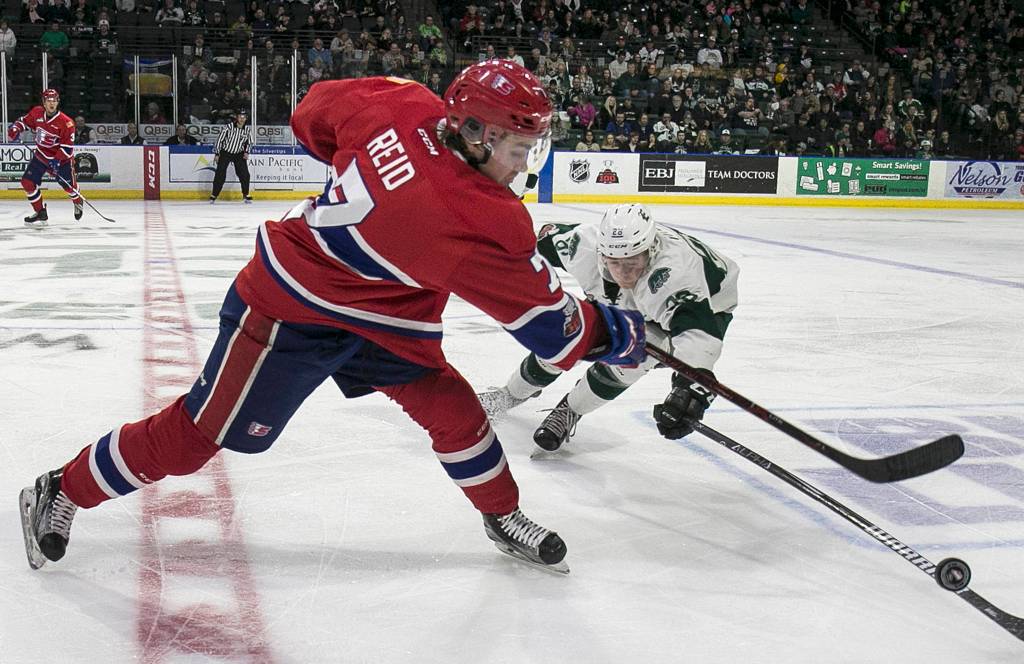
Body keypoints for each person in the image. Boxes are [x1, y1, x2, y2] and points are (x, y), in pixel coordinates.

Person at [18, 60, 646, 575]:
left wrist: (361, 185)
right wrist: (625, 336)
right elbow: (552, 331)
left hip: (383, 309)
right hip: (293, 307)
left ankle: (501, 514)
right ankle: (62, 489)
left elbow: (312, 112)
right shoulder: (480, 216)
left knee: (454, 409)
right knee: (195, 437)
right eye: (517, 147)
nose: (522, 164)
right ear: (476, 132)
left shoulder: (401, 101)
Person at [479, 204, 738, 454]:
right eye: (615, 263)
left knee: (637, 355)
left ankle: (571, 409)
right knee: (568, 334)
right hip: (634, 299)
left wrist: (691, 387)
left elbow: (698, 335)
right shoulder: (582, 245)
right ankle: (508, 395)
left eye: (633, 262)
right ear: (601, 253)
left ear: (652, 250)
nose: (624, 273)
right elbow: (533, 242)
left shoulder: (675, 275)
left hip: (707, 305)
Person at [6, 89, 84, 226]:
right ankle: (40, 212)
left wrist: (56, 161)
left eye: (54, 100)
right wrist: (15, 128)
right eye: (48, 100)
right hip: (41, 156)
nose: (51, 103)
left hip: (62, 160)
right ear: (44, 102)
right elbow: (23, 122)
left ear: (58, 102)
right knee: (27, 182)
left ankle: (78, 200)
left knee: (69, 188)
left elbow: (67, 148)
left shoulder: (67, 123)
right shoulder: (36, 112)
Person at [209, 109, 253, 203]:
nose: (241, 119)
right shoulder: (228, 127)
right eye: (240, 117)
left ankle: (246, 194)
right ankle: (214, 195)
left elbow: (249, 143)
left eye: (244, 117)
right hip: (226, 152)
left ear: (246, 119)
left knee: (245, 174)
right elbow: (219, 141)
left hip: (239, 154)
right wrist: (217, 153)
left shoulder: (247, 130)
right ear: (237, 118)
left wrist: (246, 152)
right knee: (220, 174)